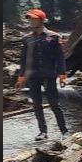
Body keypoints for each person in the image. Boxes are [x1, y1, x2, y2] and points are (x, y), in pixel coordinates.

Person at [14, 9, 68, 141]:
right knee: (37, 104)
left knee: (54, 104)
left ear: (41, 20)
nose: (31, 21)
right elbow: (24, 59)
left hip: (49, 75)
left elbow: (59, 57)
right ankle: (43, 132)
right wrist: (21, 76)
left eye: (34, 19)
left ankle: (64, 130)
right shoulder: (27, 39)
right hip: (33, 76)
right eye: (30, 19)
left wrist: (62, 74)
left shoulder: (53, 37)